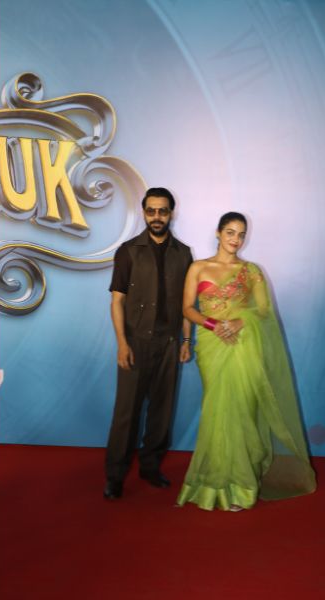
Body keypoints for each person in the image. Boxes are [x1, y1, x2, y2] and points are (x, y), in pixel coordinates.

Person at [176, 212, 317, 511]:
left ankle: (241, 485)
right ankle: (215, 483)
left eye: (241, 234)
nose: (235, 239)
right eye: (230, 232)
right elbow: (187, 308)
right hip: (212, 346)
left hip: (244, 346)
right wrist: (213, 325)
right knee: (217, 412)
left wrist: (241, 322)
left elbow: (264, 312)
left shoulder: (251, 271)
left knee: (242, 412)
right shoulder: (198, 268)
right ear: (218, 233)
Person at [104, 187, 193, 500]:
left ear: (171, 213)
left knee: (161, 412)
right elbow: (117, 302)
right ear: (144, 213)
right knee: (126, 414)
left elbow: (187, 304)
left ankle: (150, 467)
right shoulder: (128, 251)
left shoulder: (184, 254)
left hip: (169, 343)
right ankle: (115, 476)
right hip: (135, 343)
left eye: (163, 211)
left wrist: (185, 340)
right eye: (151, 211)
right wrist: (122, 343)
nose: (157, 217)